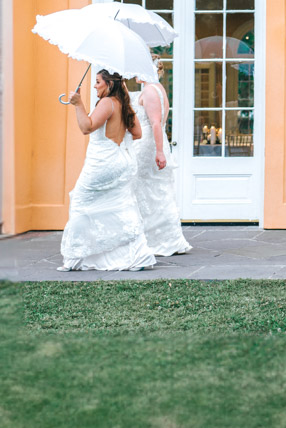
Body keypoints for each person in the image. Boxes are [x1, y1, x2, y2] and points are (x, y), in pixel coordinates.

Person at [59, 71, 156, 272]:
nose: (94, 86)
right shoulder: (123, 104)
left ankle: (76, 258)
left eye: (97, 82)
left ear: (109, 84)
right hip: (121, 161)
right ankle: (135, 256)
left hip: (102, 163)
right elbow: (137, 133)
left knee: (81, 203)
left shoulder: (107, 103)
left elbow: (86, 127)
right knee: (118, 207)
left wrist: (78, 104)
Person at [131, 65, 192, 258]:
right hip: (150, 144)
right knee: (153, 192)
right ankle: (158, 237)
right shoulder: (156, 88)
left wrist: (159, 152)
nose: (133, 73)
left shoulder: (150, 90)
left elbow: (156, 122)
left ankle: (158, 240)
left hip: (149, 146)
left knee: (149, 192)